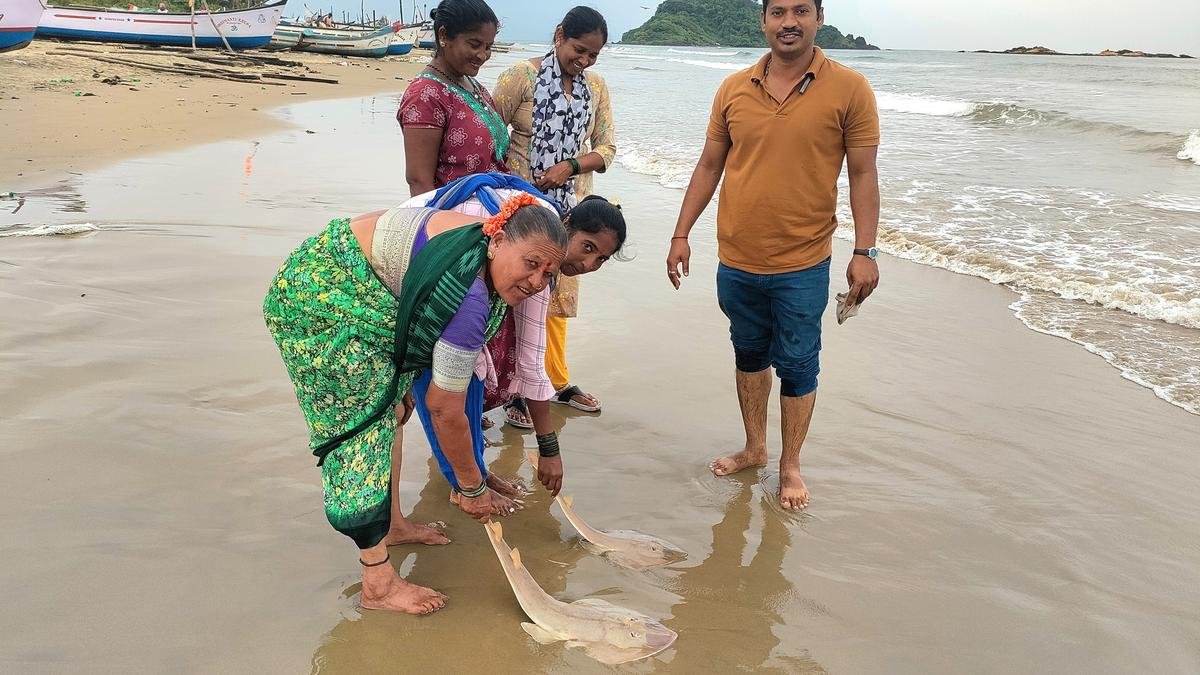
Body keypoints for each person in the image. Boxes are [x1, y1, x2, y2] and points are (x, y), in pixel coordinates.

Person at [263, 194, 568, 614]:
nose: (536, 281)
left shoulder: (478, 243)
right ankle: (377, 583)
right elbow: (444, 408)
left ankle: (392, 525)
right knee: (362, 429)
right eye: (531, 264)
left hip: (361, 290)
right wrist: (472, 487)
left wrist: (400, 384)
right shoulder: (468, 298)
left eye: (548, 273)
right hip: (318, 298)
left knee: (393, 410)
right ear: (497, 240)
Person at [665, 0, 881, 511]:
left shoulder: (851, 88)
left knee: (799, 364)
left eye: (801, 11)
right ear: (763, 21)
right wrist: (680, 233)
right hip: (737, 258)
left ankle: (791, 465)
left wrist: (865, 250)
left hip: (803, 262)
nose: (789, 22)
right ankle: (754, 448)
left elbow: (863, 174)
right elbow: (709, 165)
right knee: (748, 353)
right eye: (778, 12)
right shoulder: (733, 88)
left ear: (819, 18)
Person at [407, 177, 627, 502]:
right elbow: (531, 362)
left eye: (601, 259)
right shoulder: (540, 252)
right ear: (567, 225)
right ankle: (464, 487)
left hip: (431, 254)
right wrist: (549, 448)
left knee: (472, 369)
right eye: (588, 247)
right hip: (406, 253)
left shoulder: (538, 255)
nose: (588, 264)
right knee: (436, 388)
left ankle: (475, 473)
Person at [491, 5, 616, 426]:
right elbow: (491, 136)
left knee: (556, 298)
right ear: (560, 35)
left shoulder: (596, 87)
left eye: (593, 55)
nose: (585, 61)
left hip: (573, 215)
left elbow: (607, 149)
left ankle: (554, 381)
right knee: (515, 292)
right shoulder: (519, 77)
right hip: (521, 212)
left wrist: (571, 166)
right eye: (579, 50)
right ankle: (509, 389)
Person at [398, 0, 508, 196]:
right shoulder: (425, 96)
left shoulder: (475, 87)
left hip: (494, 207)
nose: (482, 55)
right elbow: (420, 183)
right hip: (454, 212)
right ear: (443, 35)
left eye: (488, 47)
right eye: (475, 45)